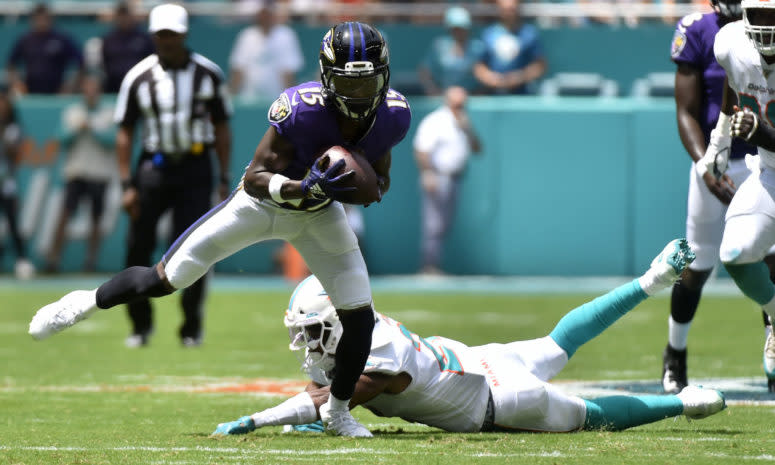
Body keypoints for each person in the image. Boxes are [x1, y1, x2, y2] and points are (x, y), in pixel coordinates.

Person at [28, 20, 411, 438]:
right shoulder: (303, 108)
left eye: (366, 84)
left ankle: (337, 412)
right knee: (166, 278)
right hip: (262, 205)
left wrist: (364, 188)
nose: (358, 95)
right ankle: (84, 302)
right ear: (326, 75)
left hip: (319, 215)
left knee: (360, 318)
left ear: (383, 76)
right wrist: (302, 186)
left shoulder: (392, 115)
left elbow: (381, 177)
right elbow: (255, 177)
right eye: (347, 84)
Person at [211, 239, 727, 436]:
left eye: (314, 330)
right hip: (477, 360)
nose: (308, 342)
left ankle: (679, 404)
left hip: (500, 400)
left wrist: (260, 418)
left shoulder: (374, 354)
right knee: (556, 343)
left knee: (589, 415)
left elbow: (330, 400)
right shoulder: (369, 328)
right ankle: (651, 281)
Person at [661, 0, 775, 394]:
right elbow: (702, 100)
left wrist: (760, 133)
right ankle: (674, 354)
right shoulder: (718, 36)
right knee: (701, 262)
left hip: (763, 157)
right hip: (730, 157)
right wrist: (711, 154)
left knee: (768, 260)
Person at [112, 4, 232, 348]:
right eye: (161, 34)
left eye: (173, 34)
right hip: (153, 168)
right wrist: (126, 184)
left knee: (195, 250)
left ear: (184, 34)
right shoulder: (139, 76)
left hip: (196, 168)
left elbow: (222, 127)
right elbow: (125, 131)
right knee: (138, 247)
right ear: (153, 35)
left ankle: (191, 327)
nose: (167, 40)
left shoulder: (208, 74)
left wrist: (223, 175)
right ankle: (140, 325)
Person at [695, 0, 775, 392]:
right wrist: (720, 138)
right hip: (770, 174)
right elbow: (733, 78)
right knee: (735, 254)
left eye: (772, 15)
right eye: (758, 15)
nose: (765, 25)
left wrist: (760, 132)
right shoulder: (732, 43)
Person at [44, 75, 116, 273]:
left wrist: (92, 128)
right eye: (87, 89)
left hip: (99, 173)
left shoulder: (108, 113)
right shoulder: (73, 112)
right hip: (76, 172)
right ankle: (53, 260)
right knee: (65, 216)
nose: (90, 93)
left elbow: (113, 141)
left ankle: (91, 262)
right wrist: (77, 128)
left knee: (96, 219)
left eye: (94, 89)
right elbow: (61, 138)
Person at [414, 86, 481, 275]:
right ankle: (429, 267)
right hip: (438, 176)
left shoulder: (463, 124)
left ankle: (434, 264)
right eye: (457, 104)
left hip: (455, 178)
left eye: (463, 105)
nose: (460, 108)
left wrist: (468, 129)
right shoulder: (436, 121)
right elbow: (421, 149)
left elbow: (477, 148)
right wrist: (428, 173)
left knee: (445, 224)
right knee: (434, 224)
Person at [228, 0, 304, 100]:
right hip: (249, 100)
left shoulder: (286, 36)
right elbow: (238, 69)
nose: (265, 17)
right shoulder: (246, 36)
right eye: (262, 13)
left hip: (278, 100)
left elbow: (288, 73)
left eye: (268, 14)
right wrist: (232, 96)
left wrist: (289, 100)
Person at [5, 3, 83, 95]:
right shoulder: (25, 40)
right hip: (30, 91)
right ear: (32, 20)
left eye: (45, 18)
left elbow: (81, 63)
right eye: (38, 19)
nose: (42, 22)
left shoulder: (62, 39)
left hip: (57, 92)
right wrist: (17, 84)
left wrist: (70, 86)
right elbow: (11, 64)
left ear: (51, 19)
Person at [473, 0, 547, 95]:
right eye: (505, 9)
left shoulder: (529, 33)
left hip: (522, 94)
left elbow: (540, 65)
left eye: (512, 9)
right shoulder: (488, 34)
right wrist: (491, 79)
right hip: (493, 95)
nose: (509, 13)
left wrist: (520, 77)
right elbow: (479, 66)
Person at [0, 88, 34, 279]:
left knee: (13, 223)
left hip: (6, 184)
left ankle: (22, 260)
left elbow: (15, 154)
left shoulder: (13, 128)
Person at [417, 6, 485, 96]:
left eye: (462, 28)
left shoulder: (478, 48)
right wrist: (434, 91)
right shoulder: (439, 46)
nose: (459, 32)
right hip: (444, 98)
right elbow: (424, 72)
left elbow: (486, 77)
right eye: (455, 29)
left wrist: (479, 95)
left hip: (473, 98)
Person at [98, 2, 155, 94]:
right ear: (117, 17)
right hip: (114, 87)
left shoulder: (144, 39)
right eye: (121, 15)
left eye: (126, 15)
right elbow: (103, 64)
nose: (124, 19)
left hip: (140, 86)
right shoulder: (108, 40)